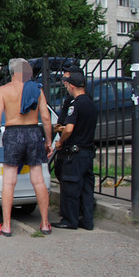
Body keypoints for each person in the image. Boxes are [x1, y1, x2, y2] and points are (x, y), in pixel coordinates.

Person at [0, 58, 53, 237]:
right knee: (38, 180)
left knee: (9, 181)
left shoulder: (3, 90)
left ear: (12, 72)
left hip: (13, 134)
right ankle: (45, 224)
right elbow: (46, 118)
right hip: (33, 132)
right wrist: (48, 141)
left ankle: (7, 226)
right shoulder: (37, 89)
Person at [52, 72, 98, 230]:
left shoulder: (76, 104)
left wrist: (60, 142)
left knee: (70, 186)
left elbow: (70, 129)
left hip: (75, 154)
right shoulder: (91, 104)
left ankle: (69, 220)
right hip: (88, 152)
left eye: (67, 86)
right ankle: (87, 221)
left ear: (72, 86)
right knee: (86, 189)